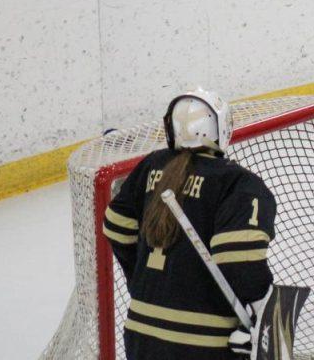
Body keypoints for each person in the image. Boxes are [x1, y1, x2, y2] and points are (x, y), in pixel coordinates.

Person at [103, 89, 276, 359]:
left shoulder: (151, 166)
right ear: (221, 128)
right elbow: (239, 262)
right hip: (203, 342)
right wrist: (260, 316)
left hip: (141, 333)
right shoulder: (239, 184)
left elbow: (116, 227)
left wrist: (141, 281)